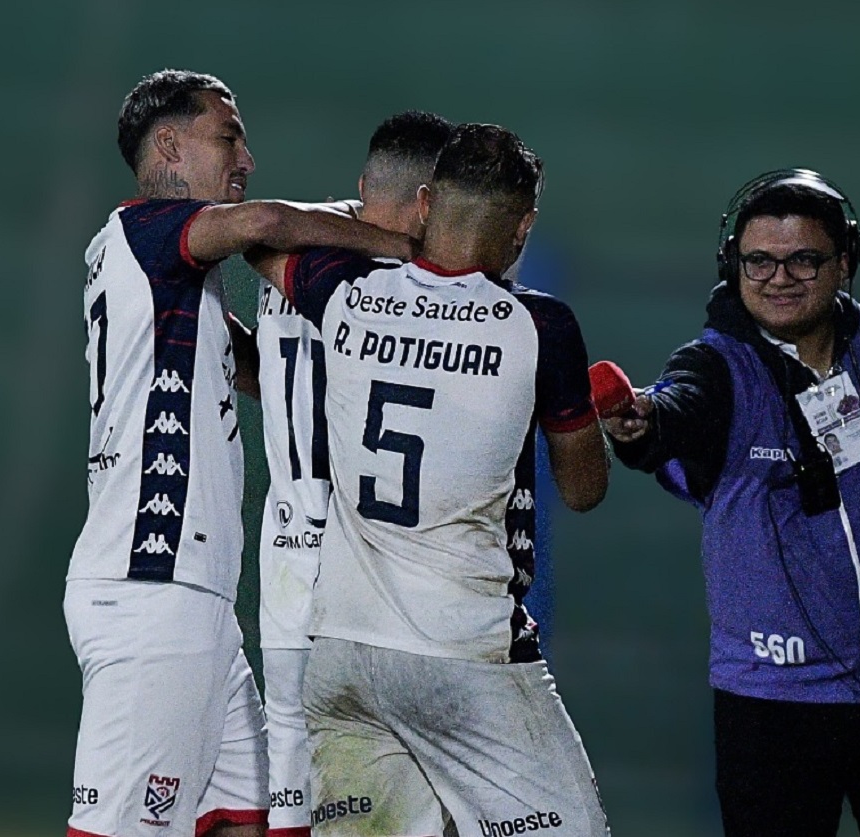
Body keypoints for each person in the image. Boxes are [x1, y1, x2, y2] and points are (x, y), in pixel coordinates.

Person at [604, 168, 860, 836]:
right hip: (774, 705)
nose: (779, 277)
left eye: (804, 259)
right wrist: (643, 423)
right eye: (759, 262)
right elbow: (676, 409)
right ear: (732, 265)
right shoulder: (715, 366)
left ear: (846, 261)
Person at [64, 68, 414, 837]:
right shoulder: (147, 229)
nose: (245, 156)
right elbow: (263, 225)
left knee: (244, 819)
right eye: (228, 136)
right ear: (169, 145)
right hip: (152, 586)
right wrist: (395, 244)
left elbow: (266, 369)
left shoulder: (175, 289)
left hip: (200, 608)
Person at [258, 123, 611, 836]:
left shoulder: (347, 294)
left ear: (424, 202)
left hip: (342, 657)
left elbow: (264, 238)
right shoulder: (540, 326)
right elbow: (583, 488)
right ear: (524, 227)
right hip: (462, 658)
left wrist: (388, 248)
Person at [248, 110, 455, 837]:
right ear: (434, 201)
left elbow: (265, 229)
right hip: (376, 570)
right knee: (397, 798)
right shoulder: (422, 284)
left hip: (287, 562)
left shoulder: (292, 248)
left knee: (292, 791)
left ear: (366, 185)